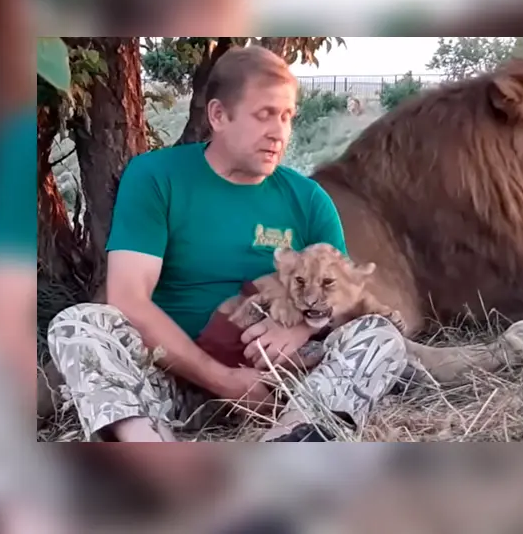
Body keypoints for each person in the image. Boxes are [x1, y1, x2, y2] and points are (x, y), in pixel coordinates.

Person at [45, 45, 409, 445]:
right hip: (173, 382)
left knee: (380, 336)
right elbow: (129, 299)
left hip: (284, 386)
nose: (279, 132)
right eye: (264, 115)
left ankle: (299, 435)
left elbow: (343, 293)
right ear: (218, 115)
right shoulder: (156, 177)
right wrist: (222, 379)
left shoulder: (308, 200)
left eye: (287, 117)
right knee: (77, 323)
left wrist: (303, 328)